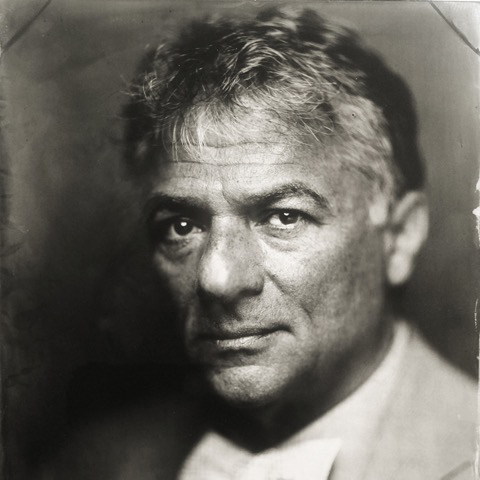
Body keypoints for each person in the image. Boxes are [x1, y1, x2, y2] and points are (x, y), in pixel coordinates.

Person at [39, 6, 477, 480]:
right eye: (182, 226)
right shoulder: (97, 462)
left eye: (284, 217)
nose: (217, 278)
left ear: (399, 236)